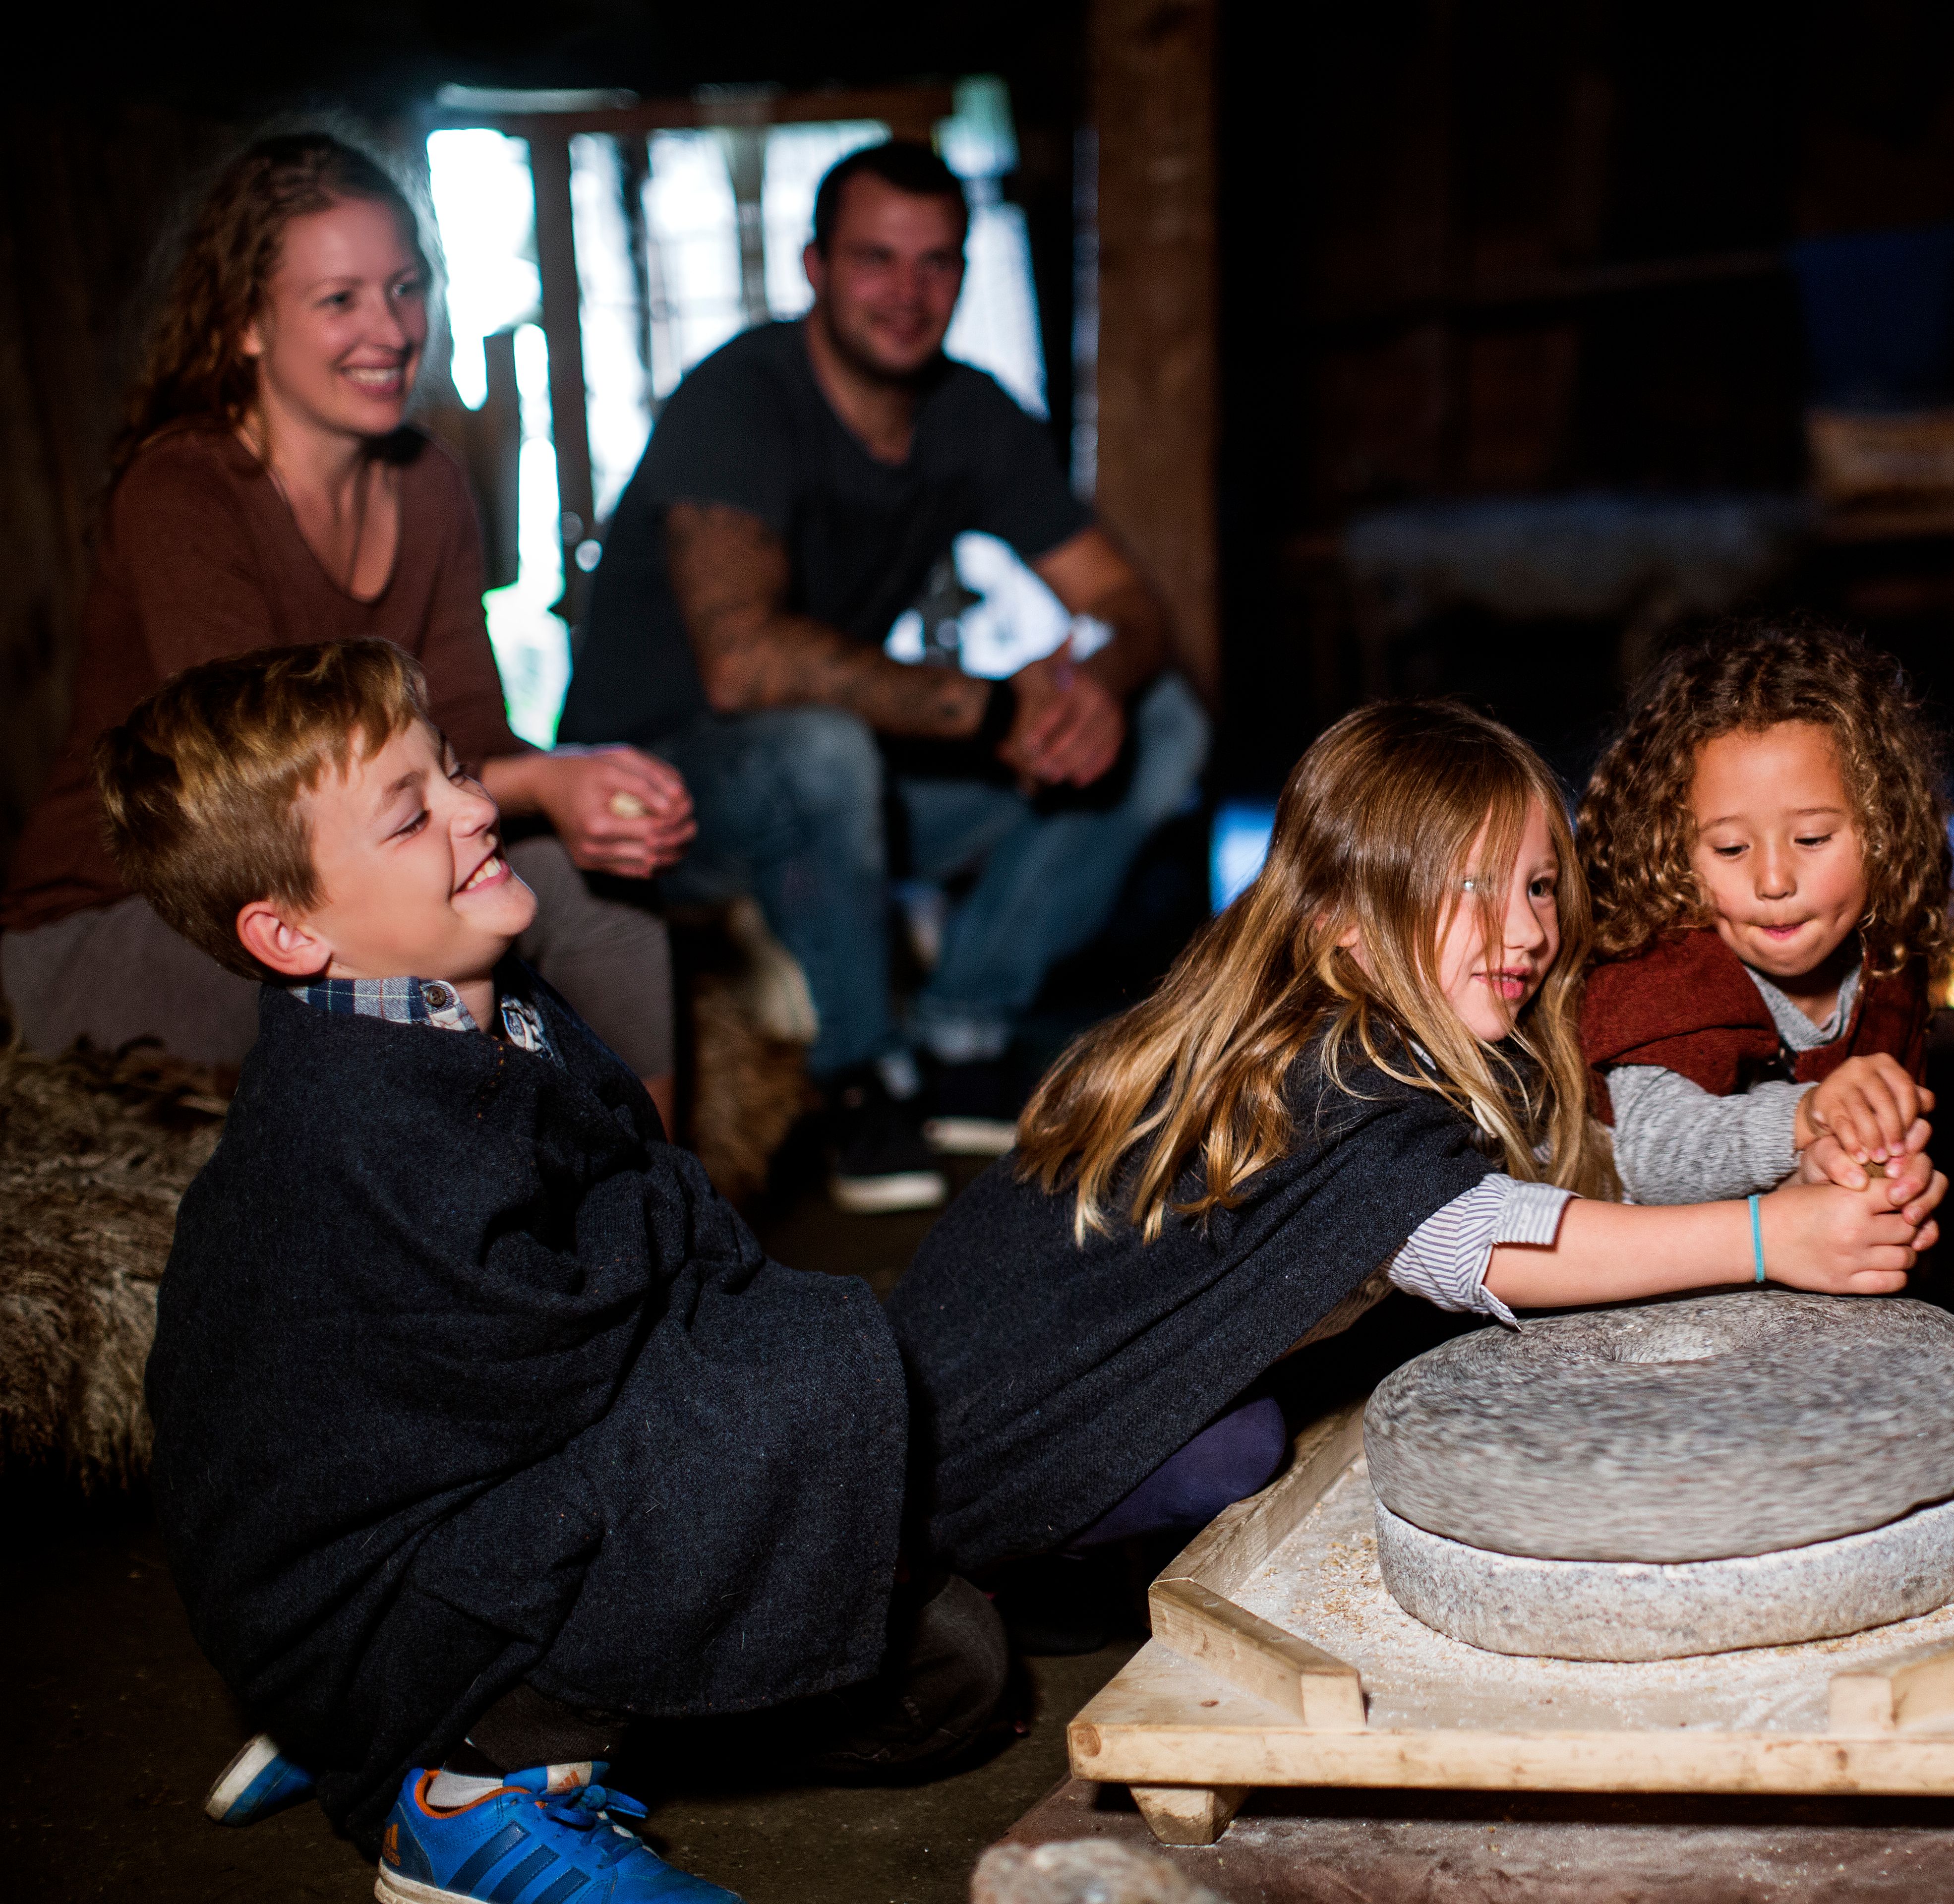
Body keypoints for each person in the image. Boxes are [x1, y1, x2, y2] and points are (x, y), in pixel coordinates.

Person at [115, 641, 1010, 1903]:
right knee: (797, 1381)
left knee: (955, 1668)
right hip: (358, 1587)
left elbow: (632, 1217)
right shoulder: (343, 1127)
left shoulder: (490, 1001)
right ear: (290, 929)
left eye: (457, 771)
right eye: (411, 814)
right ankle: (453, 1793)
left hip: (470, 1502)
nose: (479, 809)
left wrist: (673, 1246)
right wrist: (687, 1259)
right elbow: (552, 1348)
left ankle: (383, 1728)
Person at [886, 700, 1934, 1568]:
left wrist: (1795, 1136)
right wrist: (1768, 1237)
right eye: (1470, 887)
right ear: (1341, 914)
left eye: (1534, 886)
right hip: (962, 1444)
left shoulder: (1407, 1034)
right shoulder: (1333, 1066)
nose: (1526, 930)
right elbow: (1472, 1239)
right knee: (1236, 1453)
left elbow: (1614, 1169)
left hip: (965, 1379)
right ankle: (995, 1580)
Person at [558, 137, 1206, 1214]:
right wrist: (999, 707)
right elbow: (745, 662)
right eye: (875, 259)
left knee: (1165, 720)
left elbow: (1131, 607)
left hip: (840, 788)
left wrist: (1093, 685)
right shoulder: (740, 400)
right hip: (662, 797)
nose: (907, 294)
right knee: (820, 744)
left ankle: (961, 1030)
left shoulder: (971, 413)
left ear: (962, 270)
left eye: (936, 263)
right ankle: (858, 1073)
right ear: (814, 267)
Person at [0, 131, 690, 1130]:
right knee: (397, 962)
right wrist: (542, 784)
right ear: (245, 323)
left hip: (350, 865)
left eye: (406, 288)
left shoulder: (433, 479)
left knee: (605, 903)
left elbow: (469, 736)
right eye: (340, 300)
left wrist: (576, 781)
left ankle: (665, 1228)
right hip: (135, 912)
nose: (391, 328)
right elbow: (269, 812)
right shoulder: (183, 492)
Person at [1572, 625, 1954, 1219]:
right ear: (1671, 850)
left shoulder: (1888, 970)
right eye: (1730, 849)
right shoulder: (1663, 973)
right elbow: (1653, 1158)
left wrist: (1891, 1179)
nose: (1773, 881)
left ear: (1885, 832)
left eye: (1811, 838)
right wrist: (1806, 1115)